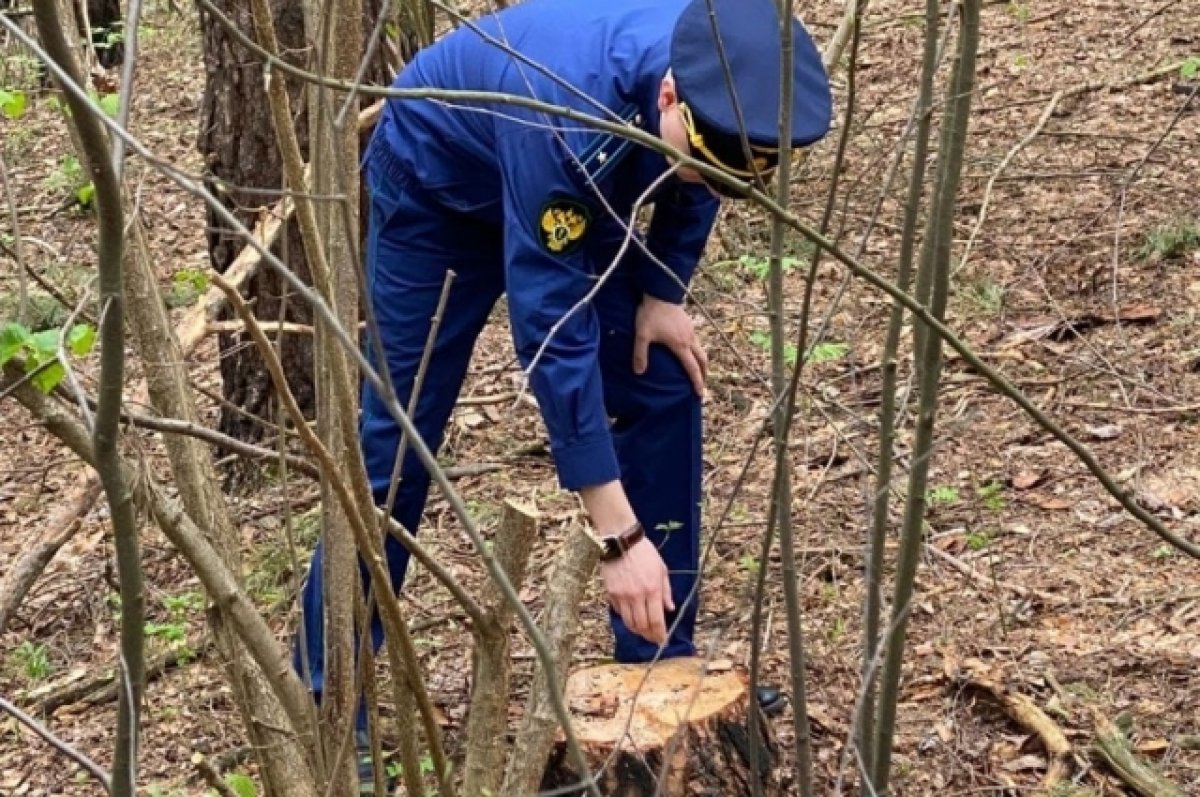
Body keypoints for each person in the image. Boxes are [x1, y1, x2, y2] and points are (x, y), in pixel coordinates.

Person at [294, 0, 832, 783]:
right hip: (438, 192)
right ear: (671, 98)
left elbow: (703, 182)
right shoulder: (568, 115)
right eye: (696, 161)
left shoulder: (721, 68)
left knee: (662, 378)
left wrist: (663, 288)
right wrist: (614, 535)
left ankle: (661, 661)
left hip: (581, 185)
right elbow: (553, 333)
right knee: (397, 440)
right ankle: (329, 698)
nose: (701, 181)